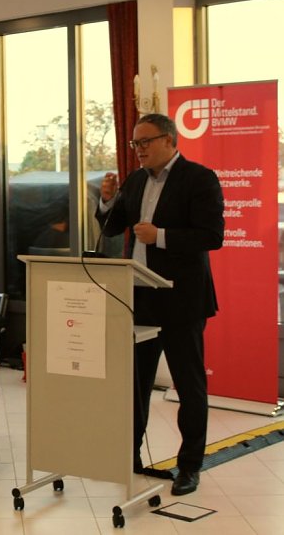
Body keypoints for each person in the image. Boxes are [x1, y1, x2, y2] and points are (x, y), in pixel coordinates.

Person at [96, 113, 224, 496]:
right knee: (135, 383)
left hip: (182, 298)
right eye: (135, 144)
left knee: (189, 384)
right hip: (140, 296)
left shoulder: (200, 178)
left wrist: (160, 236)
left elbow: (212, 235)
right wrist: (106, 202)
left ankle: (189, 467)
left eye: (145, 142)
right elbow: (111, 227)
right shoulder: (135, 181)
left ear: (169, 140)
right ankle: (129, 455)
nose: (138, 150)